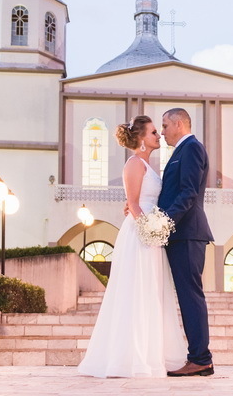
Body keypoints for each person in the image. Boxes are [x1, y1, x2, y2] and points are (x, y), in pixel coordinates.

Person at [77, 115, 187, 378]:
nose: (158, 136)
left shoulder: (148, 165)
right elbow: (134, 203)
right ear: (141, 139)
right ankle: (129, 358)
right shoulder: (134, 164)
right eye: (153, 132)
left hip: (152, 232)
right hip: (140, 234)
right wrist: (148, 230)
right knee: (136, 291)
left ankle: (152, 353)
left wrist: (156, 230)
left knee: (152, 292)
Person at [158, 108, 215, 377]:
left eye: (165, 125)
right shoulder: (181, 151)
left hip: (187, 233)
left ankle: (200, 358)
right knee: (187, 296)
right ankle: (199, 357)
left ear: (179, 124)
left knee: (191, 296)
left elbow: (189, 193)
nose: (162, 132)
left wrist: (165, 222)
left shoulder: (191, 148)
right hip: (179, 234)